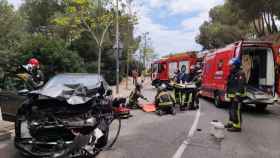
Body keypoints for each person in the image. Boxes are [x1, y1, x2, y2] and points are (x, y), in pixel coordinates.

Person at [225, 58, 246, 132]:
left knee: (236, 111)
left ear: (236, 65)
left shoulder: (240, 73)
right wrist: (227, 93)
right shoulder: (232, 73)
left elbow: (240, 86)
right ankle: (231, 123)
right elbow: (229, 84)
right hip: (231, 96)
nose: (230, 67)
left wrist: (237, 96)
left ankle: (237, 126)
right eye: (230, 65)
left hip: (237, 97)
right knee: (231, 110)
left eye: (232, 65)